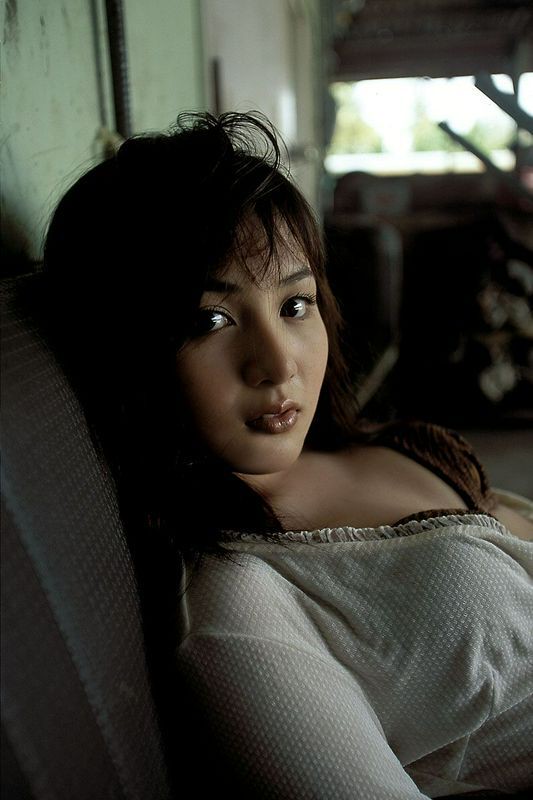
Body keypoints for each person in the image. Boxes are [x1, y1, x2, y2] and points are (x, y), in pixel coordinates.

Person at [41, 111, 532, 799]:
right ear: (127, 350)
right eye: (209, 320)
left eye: (295, 305)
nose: (277, 364)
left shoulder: (393, 444)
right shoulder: (237, 608)